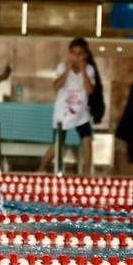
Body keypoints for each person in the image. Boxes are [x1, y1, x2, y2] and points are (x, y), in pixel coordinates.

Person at [38, 38, 96, 174]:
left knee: (87, 141)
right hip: (63, 111)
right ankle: (40, 169)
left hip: (81, 112)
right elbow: (56, 86)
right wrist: (68, 70)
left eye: (80, 53)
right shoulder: (62, 67)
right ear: (69, 54)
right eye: (73, 53)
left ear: (85, 55)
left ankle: (87, 174)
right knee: (58, 143)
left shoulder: (89, 69)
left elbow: (90, 90)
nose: (76, 57)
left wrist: (83, 71)